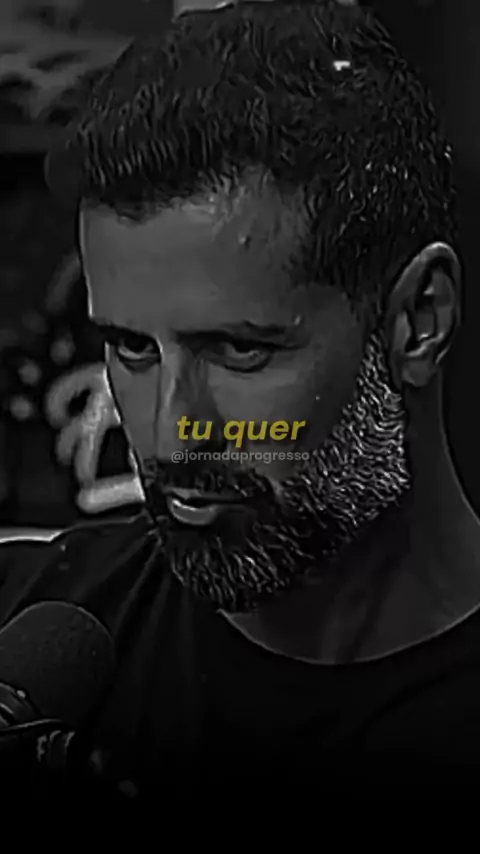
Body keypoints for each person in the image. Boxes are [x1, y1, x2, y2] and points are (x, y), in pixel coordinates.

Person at [1, 0, 480, 800]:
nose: (171, 435)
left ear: (417, 322)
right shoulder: (25, 644)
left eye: (240, 351)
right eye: (132, 349)